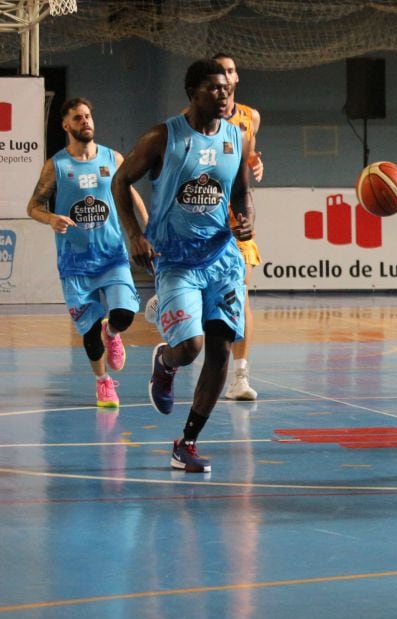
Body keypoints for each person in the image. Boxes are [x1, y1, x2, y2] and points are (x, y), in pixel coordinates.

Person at [112, 58, 254, 473]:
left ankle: (187, 442)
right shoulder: (163, 137)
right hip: (176, 261)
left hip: (222, 259)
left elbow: (242, 193)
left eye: (227, 86)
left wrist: (247, 219)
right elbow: (120, 181)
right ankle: (166, 362)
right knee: (189, 349)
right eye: (214, 87)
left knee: (221, 349)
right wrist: (134, 234)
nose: (224, 93)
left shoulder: (237, 139)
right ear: (192, 94)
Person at [26, 97, 147, 409]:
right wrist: (51, 218)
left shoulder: (113, 158)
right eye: (78, 118)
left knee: (123, 314)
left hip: (112, 255)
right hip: (75, 262)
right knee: (89, 330)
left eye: (88, 116)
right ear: (66, 125)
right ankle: (103, 382)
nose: (86, 121)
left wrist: (147, 231)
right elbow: (33, 206)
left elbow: (131, 197)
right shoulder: (57, 166)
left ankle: (114, 331)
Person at [213, 52, 265, 400]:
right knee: (208, 299)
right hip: (201, 221)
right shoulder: (196, 119)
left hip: (236, 222)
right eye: (220, 72)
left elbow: (249, 158)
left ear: (236, 78)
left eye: (231, 71)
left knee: (240, 291)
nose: (227, 77)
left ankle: (240, 377)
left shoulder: (250, 118)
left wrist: (257, 164)